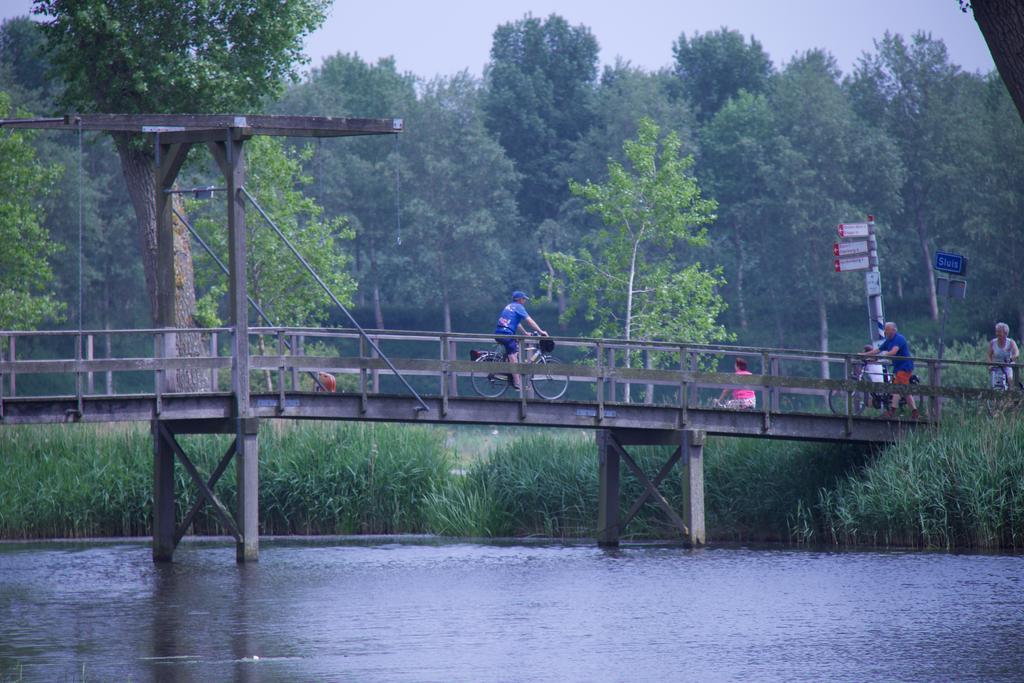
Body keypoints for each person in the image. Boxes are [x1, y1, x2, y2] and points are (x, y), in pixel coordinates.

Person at [862, 322, 918, 419]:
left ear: (893, 330)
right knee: (903, 390)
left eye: (887, 330)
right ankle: (913, 412)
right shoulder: (888, 341)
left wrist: (882, 356)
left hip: (905, 367)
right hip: (898, 367)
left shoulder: (899, 339)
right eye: (885, 330)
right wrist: (865, 355)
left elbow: (894, 351)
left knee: (898, 388)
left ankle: (893, 411)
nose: (885, 332)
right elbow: (877, 350)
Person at [494, 290, 547, 390]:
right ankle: (517, 383)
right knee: (513, 356)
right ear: (519, 300)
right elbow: (530, 321)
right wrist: (541, 332)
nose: (524, 301)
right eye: (523, 299)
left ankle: (511, 371)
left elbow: (517, 323)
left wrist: (525, 333)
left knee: (516, 347)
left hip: (500, 332)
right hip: (506, 334)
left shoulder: (509, 306)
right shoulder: (519, 307)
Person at [987, 322, 1020, 389]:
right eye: (997, 332)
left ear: (1005, 333)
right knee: (994, 384)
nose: (997, 334)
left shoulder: (1011, 342)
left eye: (999, 332)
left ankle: (1010, 395)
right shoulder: (993, 343)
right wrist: (990, 364)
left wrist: (1012, 358)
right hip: (996, 366)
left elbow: (1017, 352)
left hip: (1007, 365)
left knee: (1010, 379)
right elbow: (988, 355)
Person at [860, 345, 887, 411]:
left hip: (877, 383)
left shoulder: (868, 362)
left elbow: (861, 368)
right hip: (882, 381)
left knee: (868, 391)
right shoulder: (878, 361)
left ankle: (866, 407)